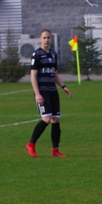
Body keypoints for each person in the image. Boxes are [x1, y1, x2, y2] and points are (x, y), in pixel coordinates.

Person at [26, 30, 72, 158]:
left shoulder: (53, 54)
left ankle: (55, 150)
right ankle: (31, 144)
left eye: (48, 38)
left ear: (51, 39)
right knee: (46, 118)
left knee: (55, 119)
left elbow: (55, 74)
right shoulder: (36, 55)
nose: (46, 40)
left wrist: (63, 86)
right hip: (42, 91)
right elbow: (33, 76)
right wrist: (37, 94)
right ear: (40, 39)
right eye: (44, 38)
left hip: (53, 90)